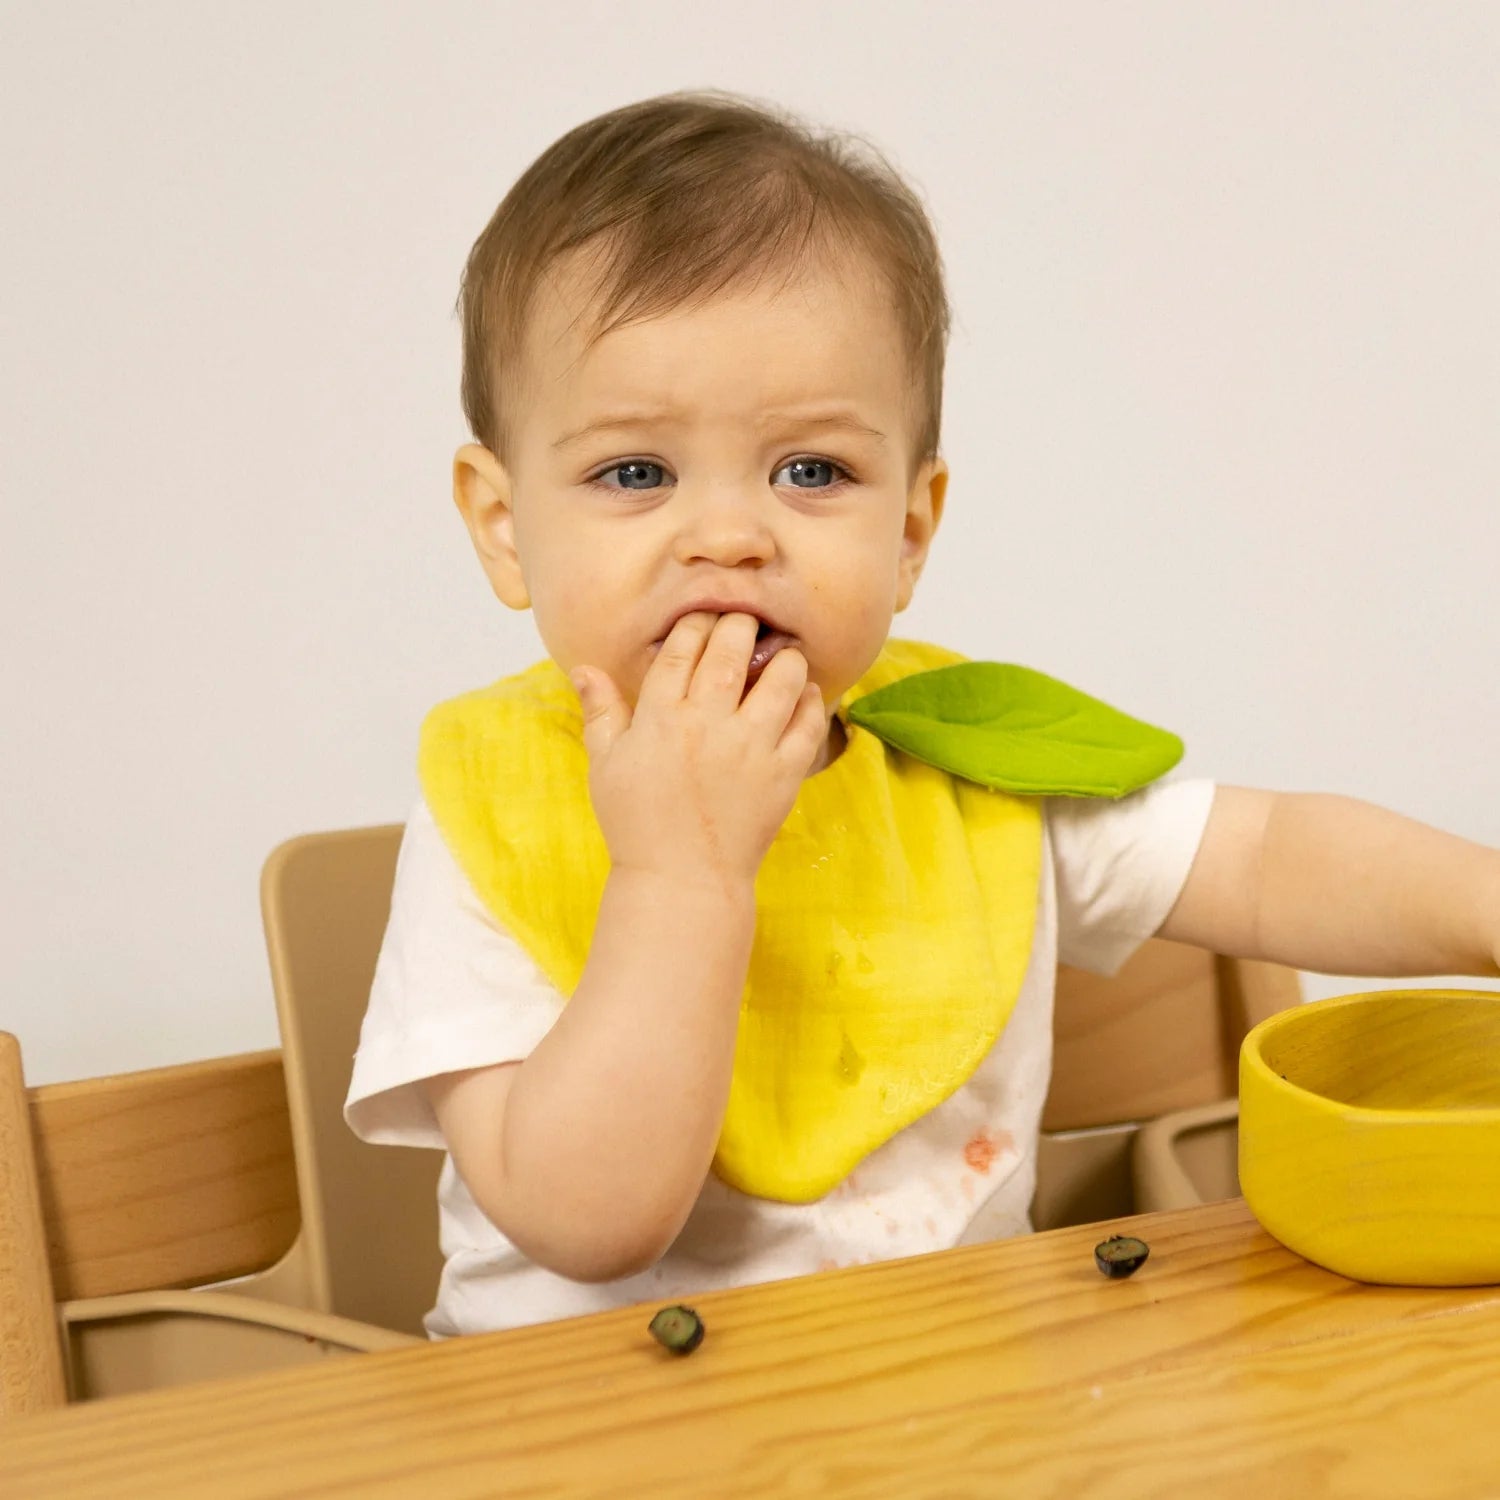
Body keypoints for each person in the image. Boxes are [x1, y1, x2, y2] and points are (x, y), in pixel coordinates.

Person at [344, 89, 1500, 1338]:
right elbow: (586, 1220)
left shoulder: (964, 754)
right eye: (636, 473)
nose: (730, 535)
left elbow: (1270, 859)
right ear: (505, 527)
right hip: (582, 1433)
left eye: (812, 472)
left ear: (908, 531)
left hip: (950, 1410)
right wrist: (680, 873)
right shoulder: (488, 806)